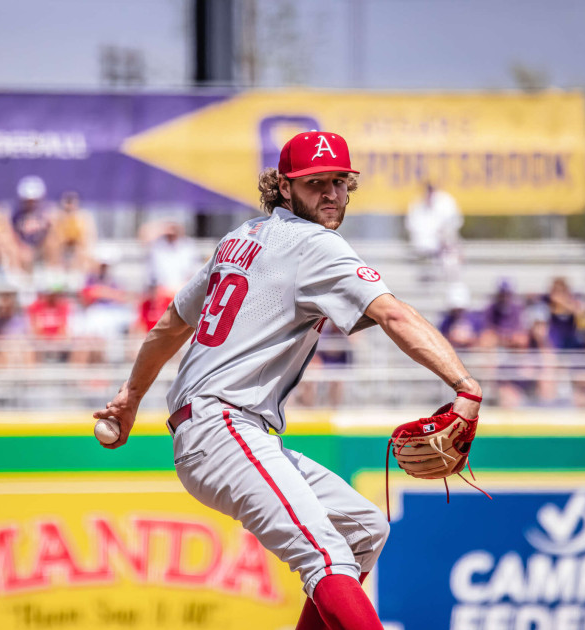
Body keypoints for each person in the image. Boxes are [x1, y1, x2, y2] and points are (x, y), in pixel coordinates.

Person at [93, 131, 483, 630]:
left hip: (226, 430)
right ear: (283, 185)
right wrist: (465, 386)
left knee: (363, 529)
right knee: (326, 557)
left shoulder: (241, 238)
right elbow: (394, 316)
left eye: (339, 182)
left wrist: (130, 397)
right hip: (223, 426)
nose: (330, 194)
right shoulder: (317, 245)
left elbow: (172, 323)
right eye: (314, 182)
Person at [404, 181, 463, 282]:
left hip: (445, 247)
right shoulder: (417, 205)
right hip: (424, 249)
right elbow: (412, 228)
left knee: (451, 260)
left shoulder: (446, 202)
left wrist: (444, 238)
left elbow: (454, 224)